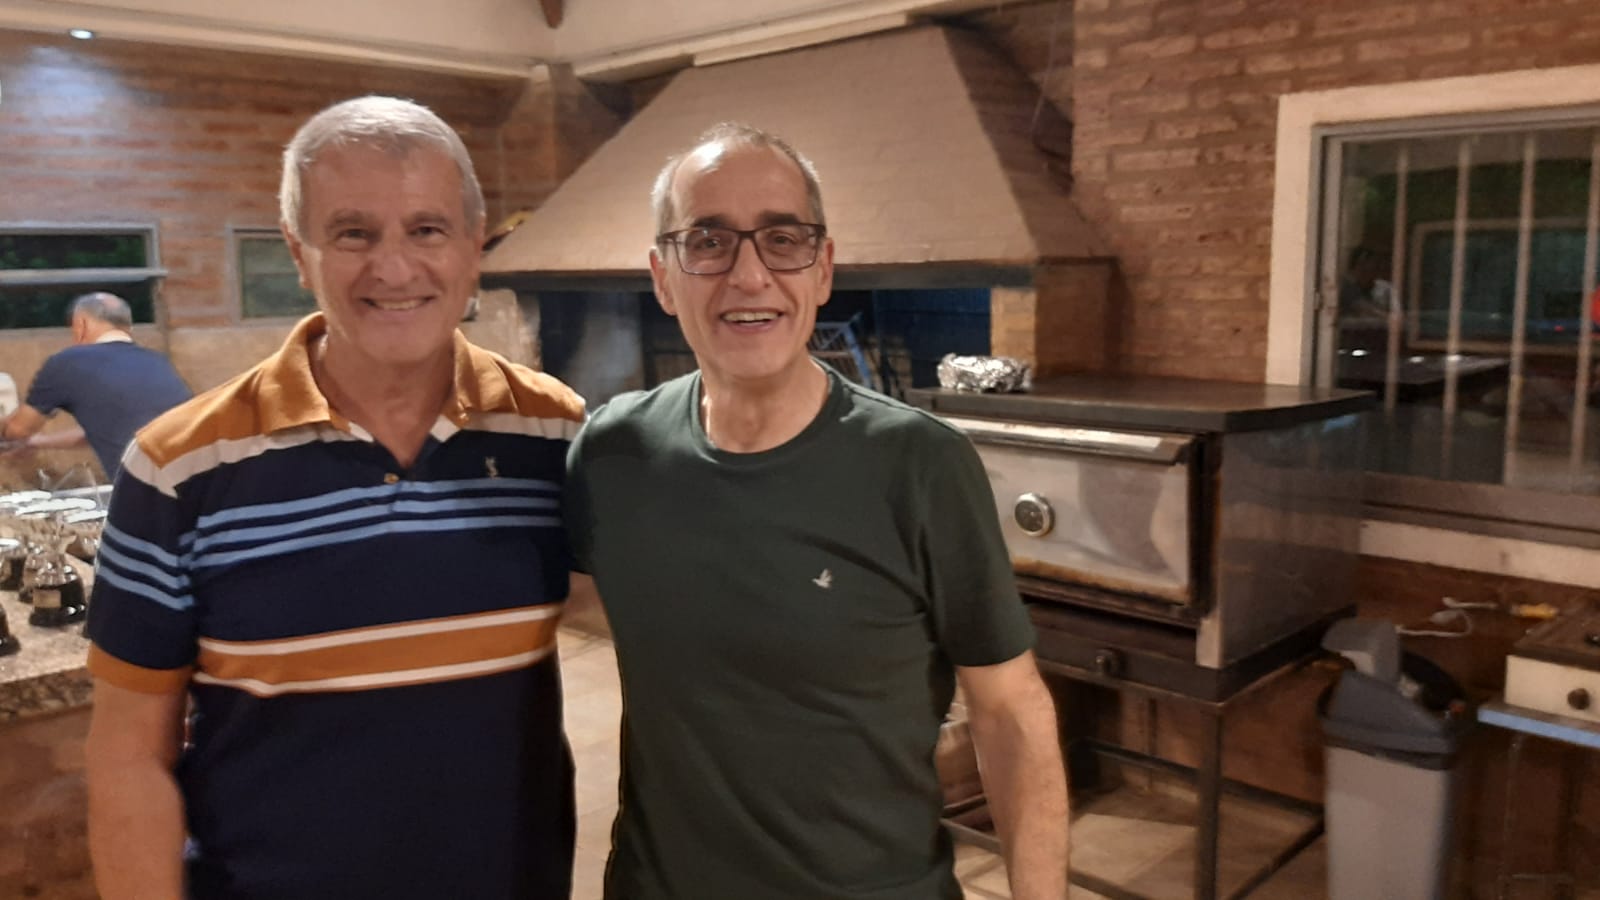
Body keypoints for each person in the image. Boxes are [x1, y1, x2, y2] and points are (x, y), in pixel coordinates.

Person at [82, 96, 585, 900]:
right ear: (298, 251)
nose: (395, 268)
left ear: (473, 245)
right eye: (354, 233)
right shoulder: (179, 469)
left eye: (427, 229)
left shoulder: (552, 435)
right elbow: (128, 756)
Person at [564, 123, 1070, 900]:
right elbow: (570, 604)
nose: (750, 275)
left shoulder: (920, 465)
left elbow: (1010, 713)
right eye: (708, 241)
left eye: (783, 239)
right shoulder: (611, 452)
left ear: (823, 268)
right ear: (663, 278)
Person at [0, 292, 191, 478]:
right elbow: (107, 429)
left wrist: (8, 432)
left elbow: (18, 430)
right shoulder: (156, 361)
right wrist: (39, 442)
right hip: (199, 474)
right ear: (127, 326)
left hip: (154, 487)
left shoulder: (67, 363)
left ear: (81, 324)